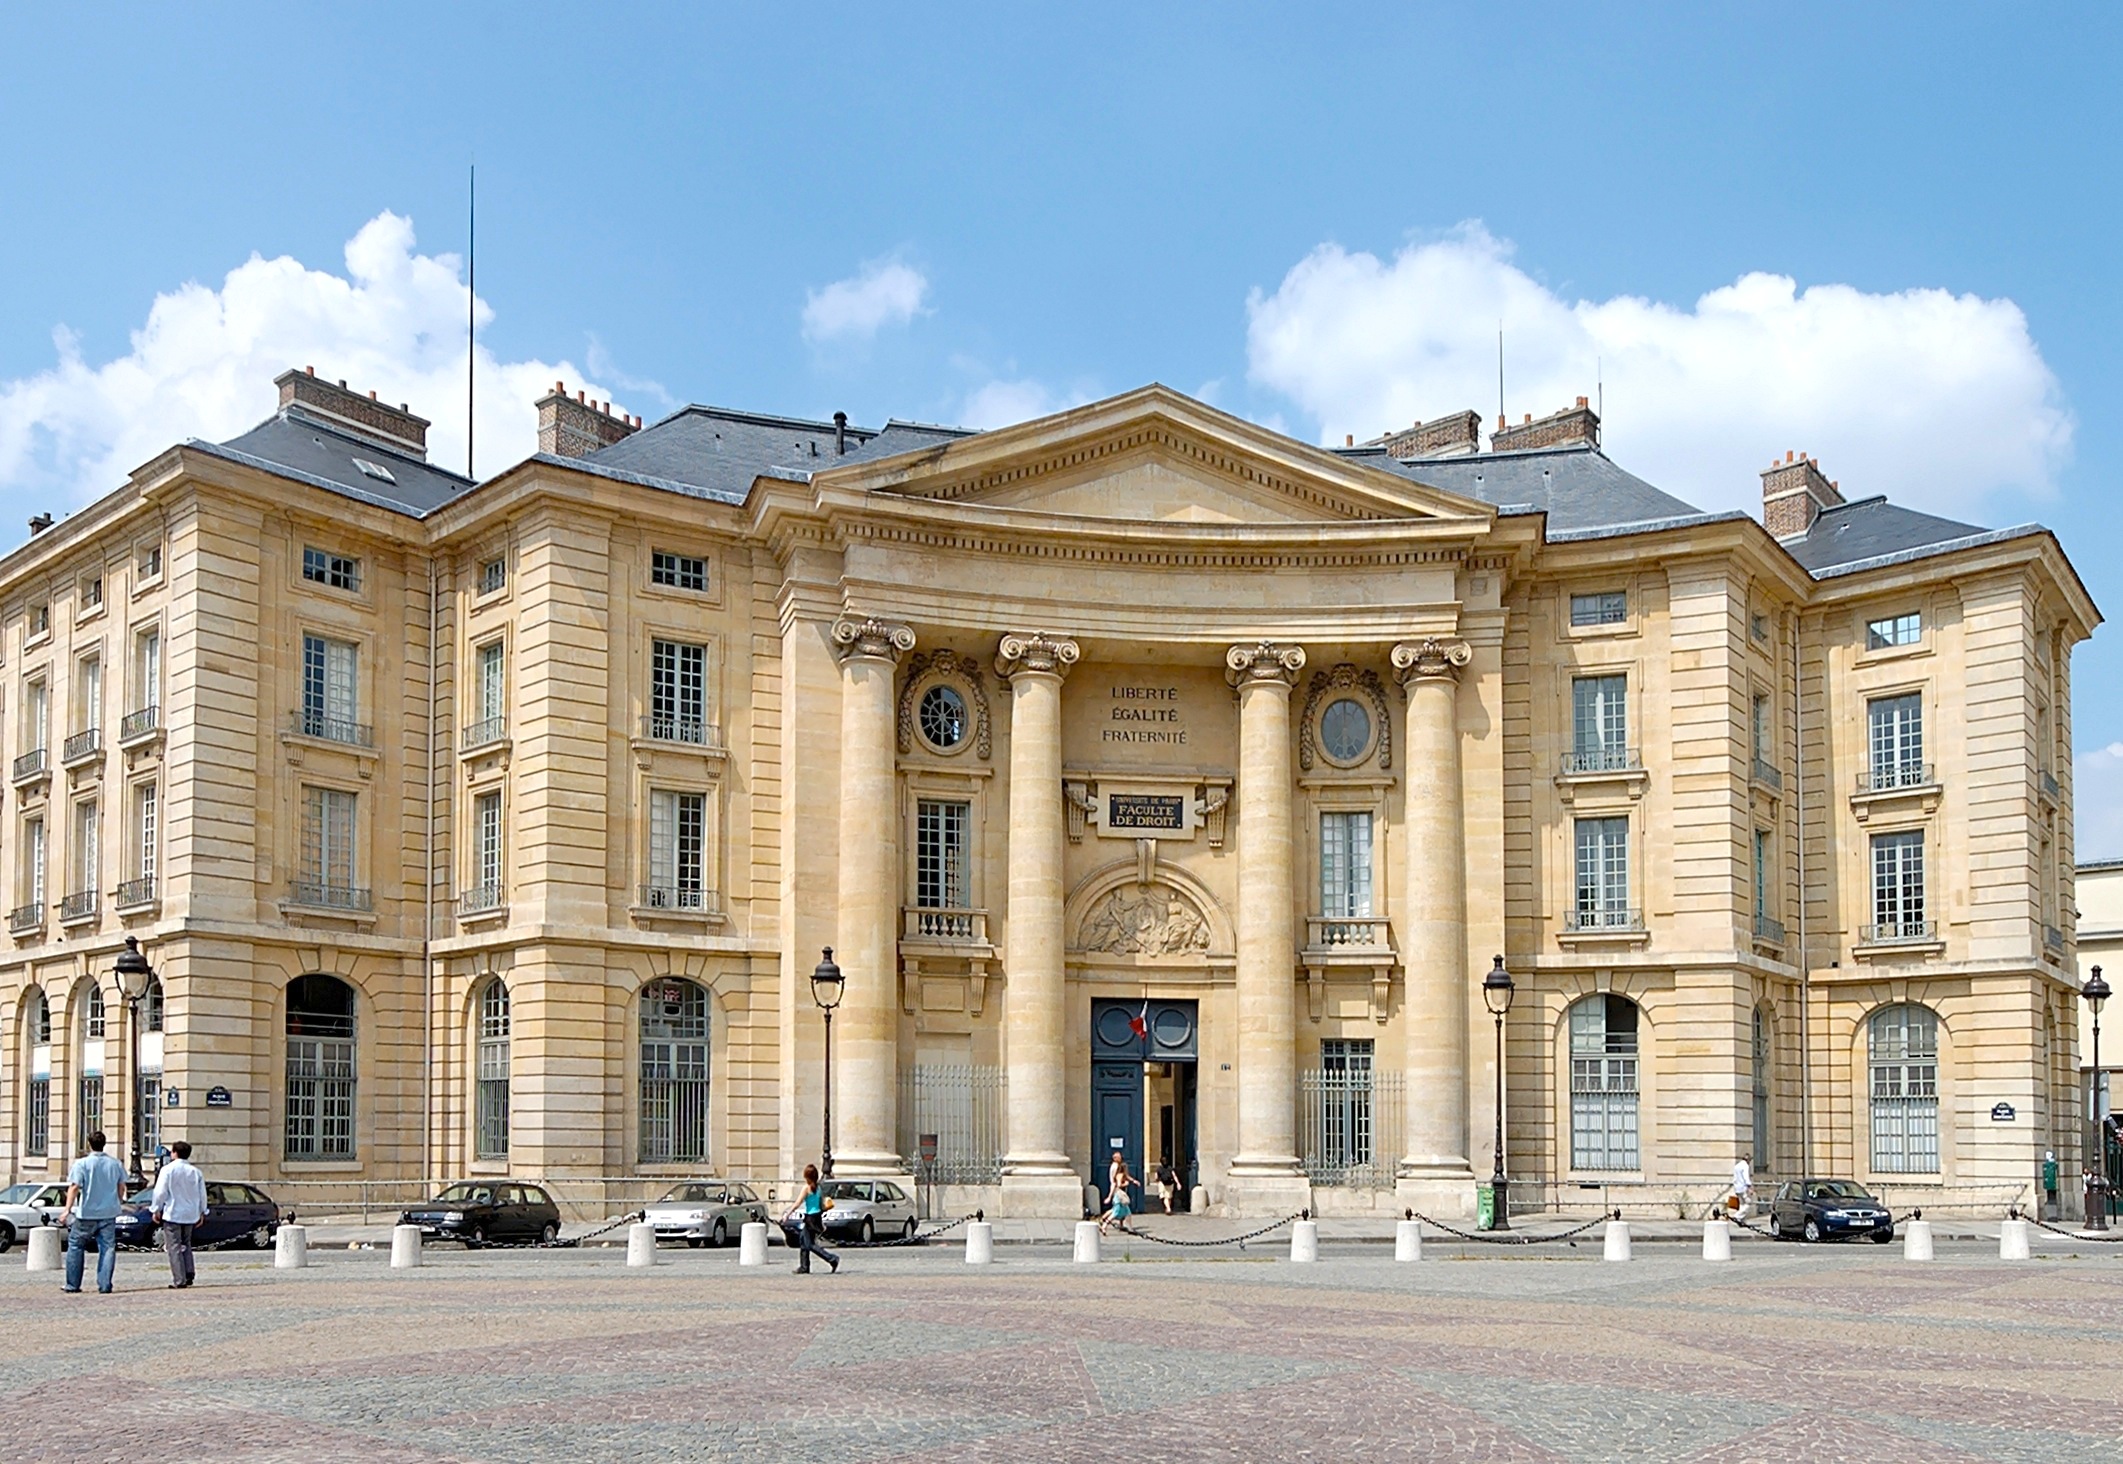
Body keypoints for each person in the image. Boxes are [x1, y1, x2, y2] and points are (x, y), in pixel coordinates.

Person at [60, 1130, 129, 1295]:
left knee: (76, 1246)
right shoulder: (115, 1163)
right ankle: (105, 1284)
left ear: (89, 1144)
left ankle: (73, 1284)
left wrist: (67, 1210)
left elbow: (74, 1186)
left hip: (87, 1213)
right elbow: (121, 1185)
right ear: (104, 1144)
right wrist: (118, 1200)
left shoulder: (82, 1164)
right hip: (109, 1212)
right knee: (107, 1247)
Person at [150, 1140, 209, 1289]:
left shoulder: (168, 1170)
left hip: (173, 1212)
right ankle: (189, 1272)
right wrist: (202, 1211)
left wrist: (156, 1208)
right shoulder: (195, 1172)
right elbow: (202, 1194)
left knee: (174, 1246)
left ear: (174, 1153)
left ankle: (179, 1278)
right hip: (190, 1213)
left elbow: (160, 1192)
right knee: (186, 1244)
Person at [791, 1164, 839, 1275]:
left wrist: (787, 1214)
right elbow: (821, 1204)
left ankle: (832, 1259)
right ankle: (804, 1267)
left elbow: (798, 1203)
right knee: (803, 1241)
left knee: (810, 1244)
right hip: (816, 1217)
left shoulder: (806, 1188)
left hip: (810, 1219)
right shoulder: (818, 1188)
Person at [1100, 1156, 1135, 1235]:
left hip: (1119, 1197)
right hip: (1119, 1197)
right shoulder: (1120, 1175)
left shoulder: (1120, 1175)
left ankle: (1129, 1228)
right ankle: (1104, 1226)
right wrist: (1125, 1183)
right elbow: (1118, 1185)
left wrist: (1134, 1181)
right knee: (1115, 1213)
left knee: (1127, 1213)